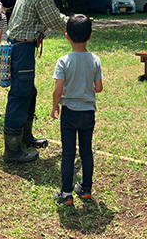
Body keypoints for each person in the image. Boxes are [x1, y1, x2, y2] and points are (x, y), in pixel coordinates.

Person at [3, 0, 70, 164]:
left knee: (29, 91)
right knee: (21, 93)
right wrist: (77, 23)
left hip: (20, 46)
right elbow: (55, 21)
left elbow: (50, 16)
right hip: (22, 49)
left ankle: (25, 137)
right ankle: (12, 151)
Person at [51, 14, 103, 206]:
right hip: (88, 112)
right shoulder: (95, 59)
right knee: (86, 151)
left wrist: (55, 104)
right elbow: (98, 88)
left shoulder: (63, 61)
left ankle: (66, 193)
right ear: (90, 36)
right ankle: (86, 190)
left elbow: (58, 89)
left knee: (68, 153)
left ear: (67, 36)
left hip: (69, 112)